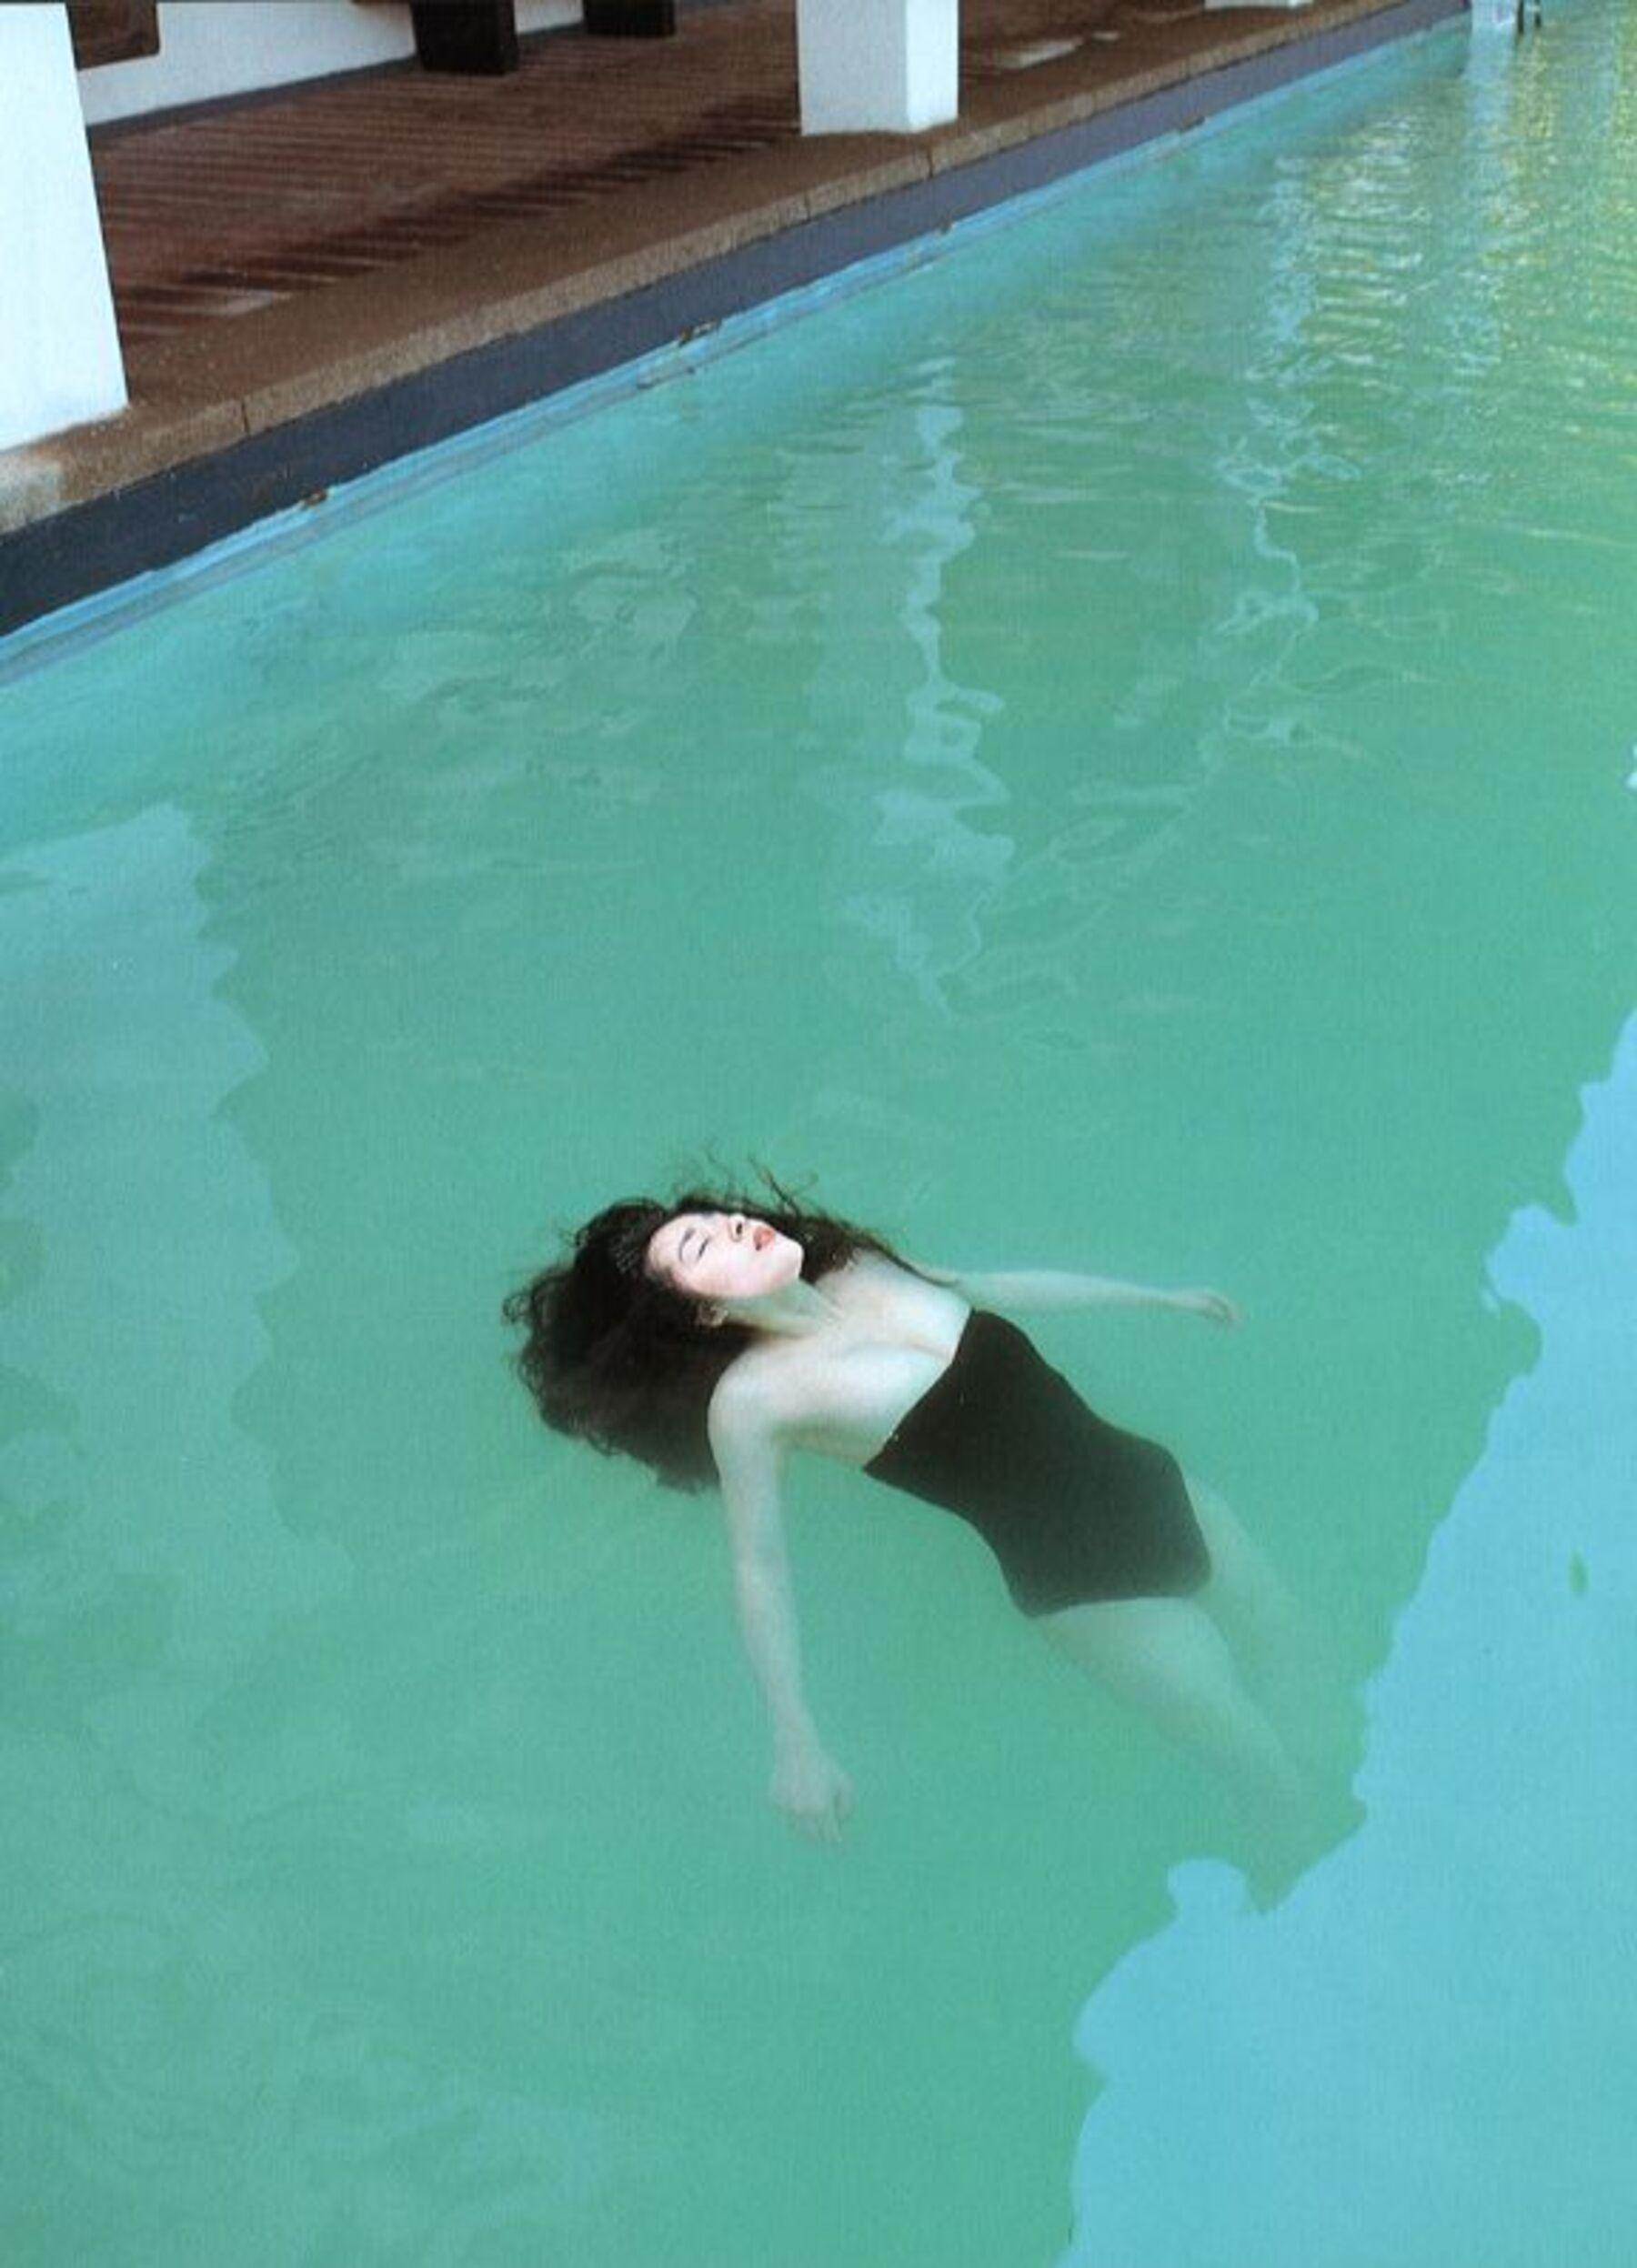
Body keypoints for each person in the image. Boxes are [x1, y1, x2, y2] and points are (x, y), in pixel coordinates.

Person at [505, 1179, 1310, 1843]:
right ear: (704, 1314)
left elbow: (992, 1287)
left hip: (1153, 1484)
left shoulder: (856, 1266)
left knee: (1297, 1655)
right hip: (1086, 1585)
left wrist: (1157, 1298)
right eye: (700, 1247)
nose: (731, 1224)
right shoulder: (754, 1403)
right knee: (1263, 1769)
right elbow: (759, 1568)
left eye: (715, 1218)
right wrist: (795, 1740)